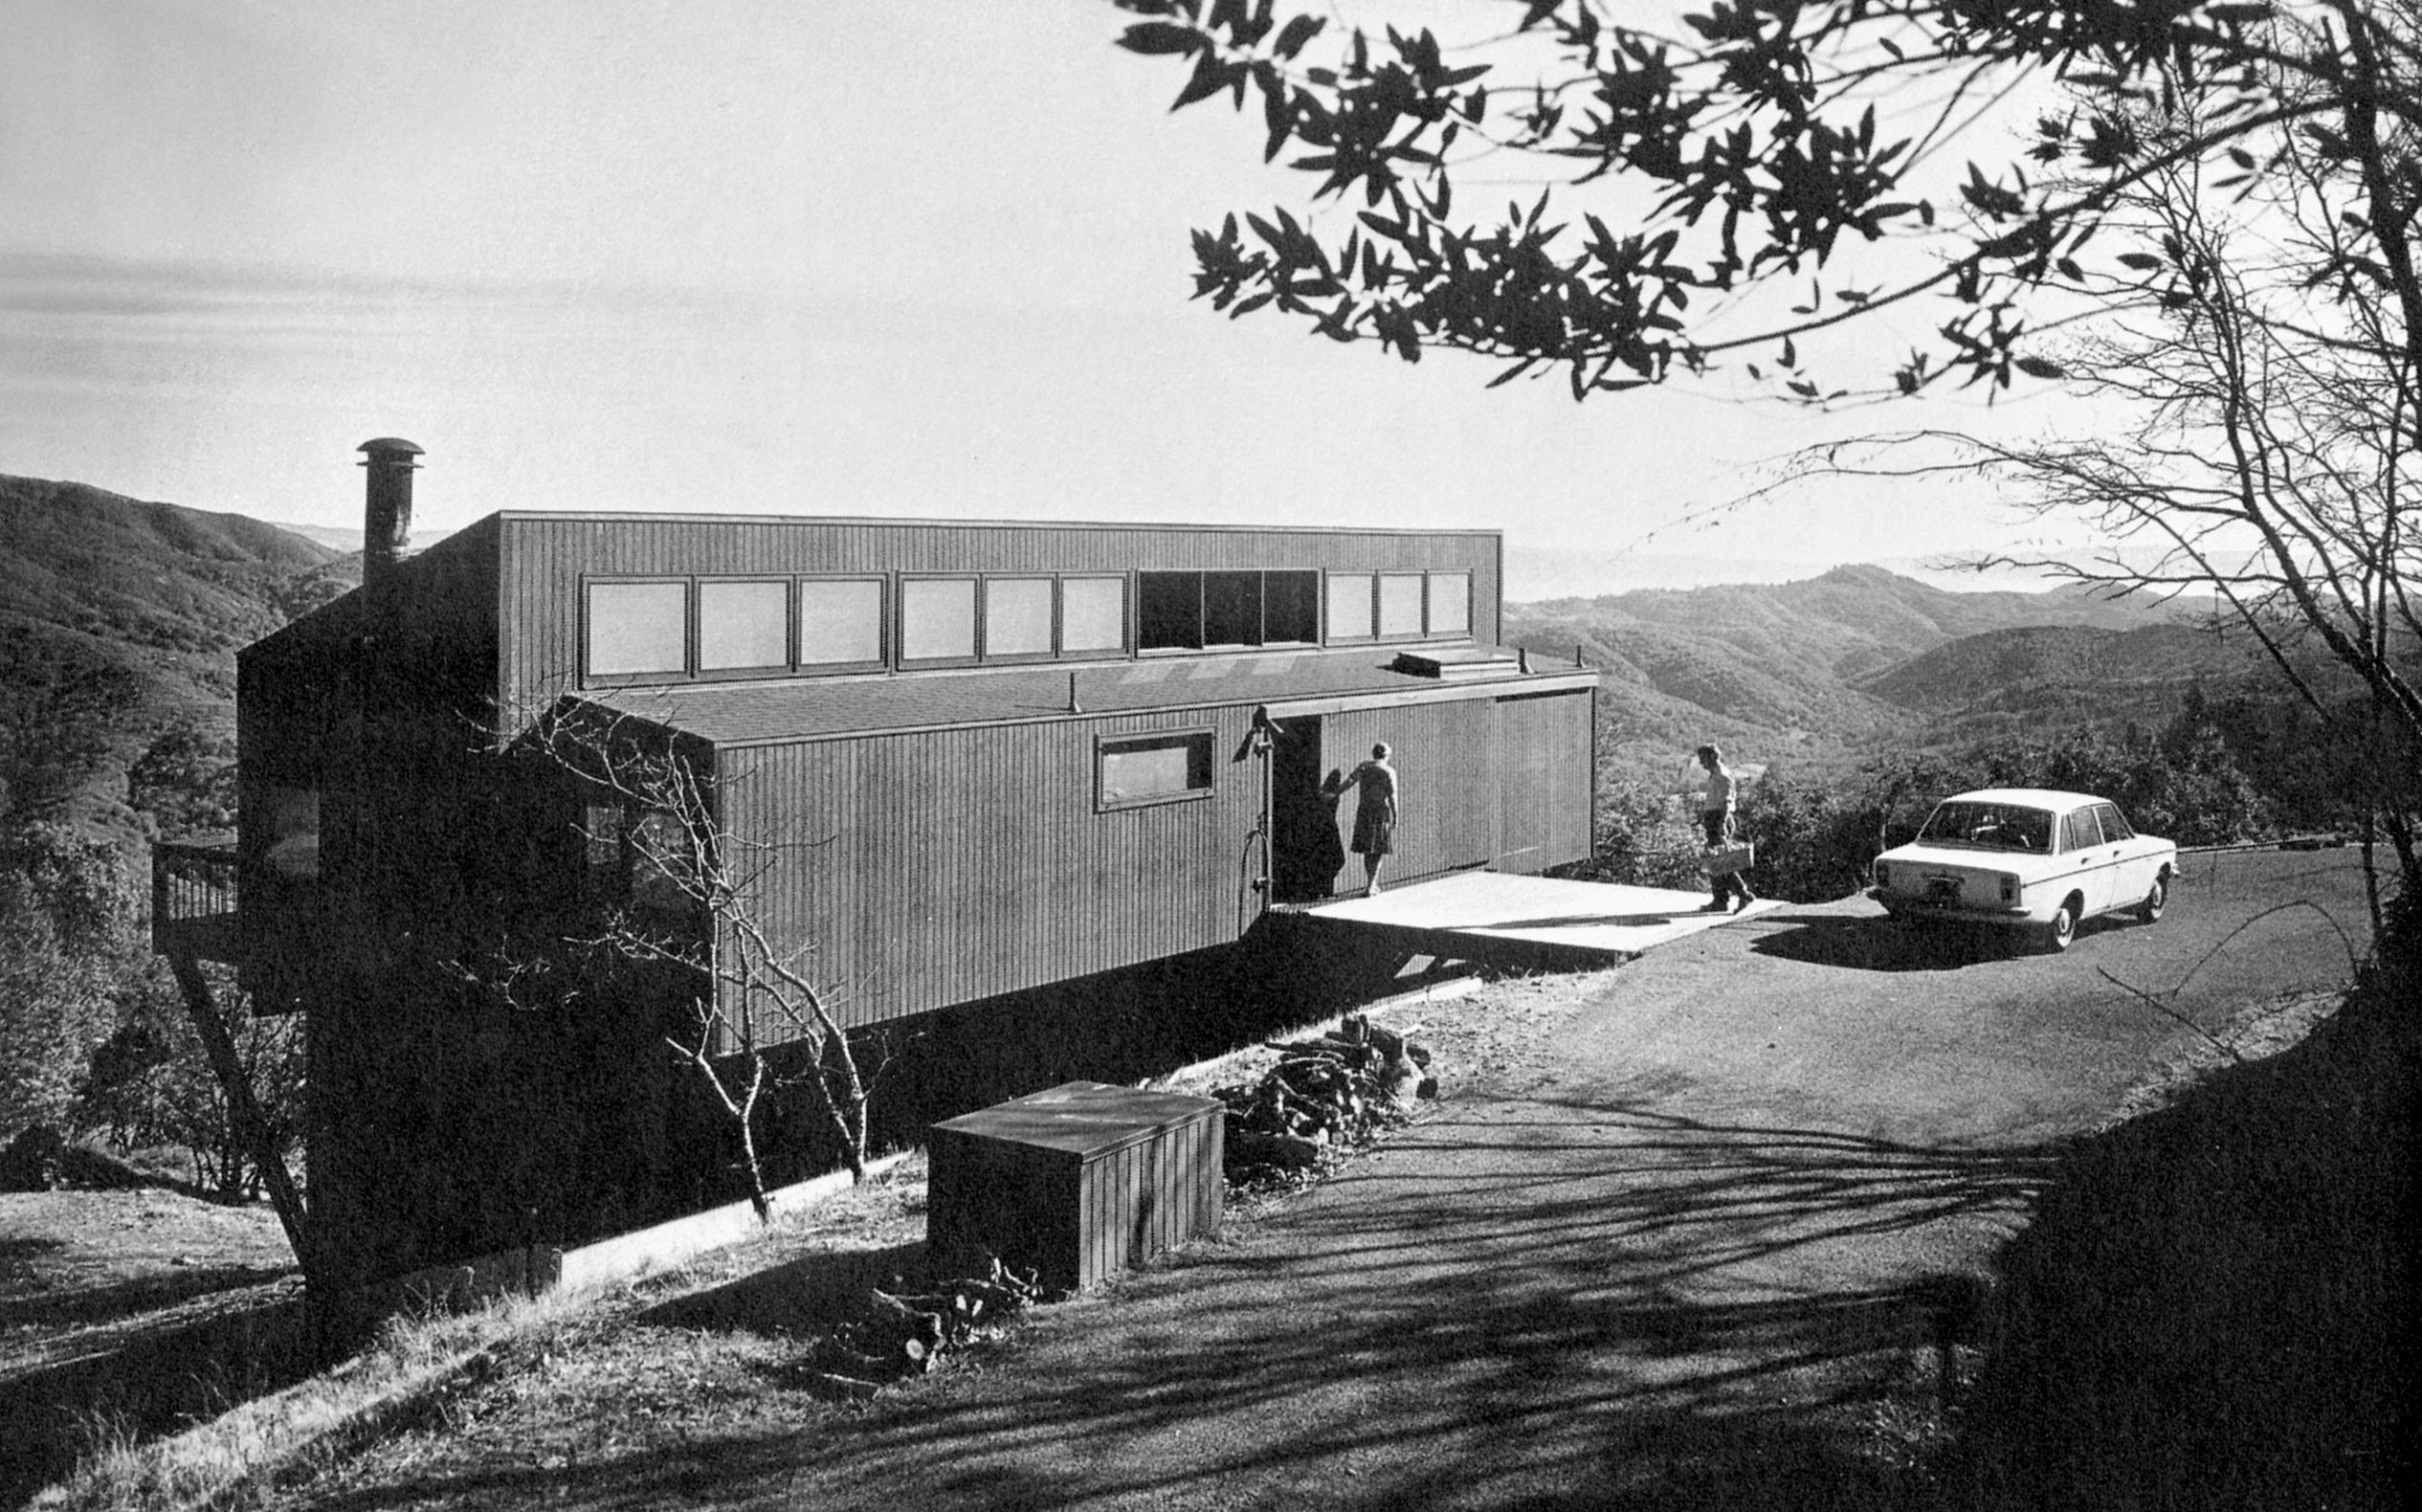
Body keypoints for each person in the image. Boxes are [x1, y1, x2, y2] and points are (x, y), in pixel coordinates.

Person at [1328, 743, 1399, 896]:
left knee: (1368, 850)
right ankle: (1371, 885)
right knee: (1378, 850)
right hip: (1380, 812)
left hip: (1365, 812)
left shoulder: (1364, 767)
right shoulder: (1388, 771)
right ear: (1387, 756)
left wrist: (1334, 793)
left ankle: (1370, 884)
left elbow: (1349, 782)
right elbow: (1392, 796)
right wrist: (1396, 816)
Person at [1695, 743, 1758, 912]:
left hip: (1719, 820)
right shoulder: (1716, 775)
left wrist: (1721, 826)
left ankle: (1743, 894)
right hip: (1714, 819)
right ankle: (1720, 901)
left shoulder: (1722, 776)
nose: (1702, 763)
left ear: (1713, 757)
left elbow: (1726, 803)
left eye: (1703, 759)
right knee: (1716, 861)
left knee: (1721, 862)